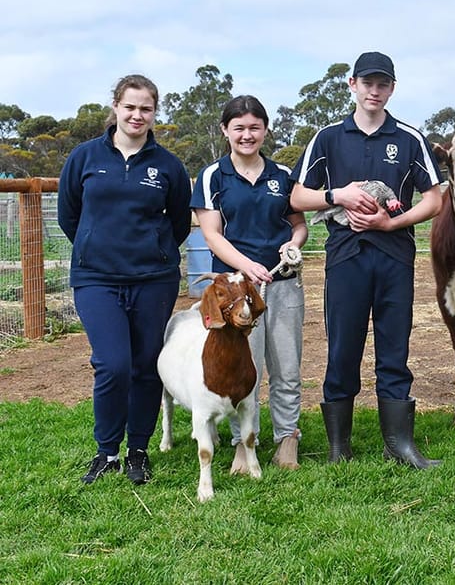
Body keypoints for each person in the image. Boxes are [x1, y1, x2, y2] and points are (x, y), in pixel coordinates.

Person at [289, 51, 443, 468]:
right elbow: (297, 195)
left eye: (383, 84)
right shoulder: (328, 138)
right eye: (367, 82)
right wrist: (336, 195)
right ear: (352, 84)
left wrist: (391, 224)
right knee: (343, 348)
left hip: (394, 255)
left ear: (392, 88)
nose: (375, 91)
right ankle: (340, 445)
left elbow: (434, 199)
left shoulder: (410, 138)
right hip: (345, 256)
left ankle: (399, 443)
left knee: (394, 348)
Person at [57, 74, 191, 485]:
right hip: (96, 278)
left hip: (153, 279)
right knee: (113, 364)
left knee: (146, 365)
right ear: (115, 106)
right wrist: (95, 246)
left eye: (146, 109)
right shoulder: (83, 158)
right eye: (130, 106)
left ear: (155, 114)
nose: (137, 115)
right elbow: (69, 216)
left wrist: (153, 249)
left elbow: (180, 223)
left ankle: (138, 451)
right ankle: (106, 452)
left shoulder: (168, 166)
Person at [191, 95, 309, 470]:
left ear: (265, 130)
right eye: (239, 128)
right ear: (225, 130)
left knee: (286, 364)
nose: (247, 135)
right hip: (237, 290)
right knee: (244, 366)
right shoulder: (213, 177)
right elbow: (213, 235)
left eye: (254, 127)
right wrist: (248, 268)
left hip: (283, 282)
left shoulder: (283, 175)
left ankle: (287, 437)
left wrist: (293, 244)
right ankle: (245, 440)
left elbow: (299, 225)